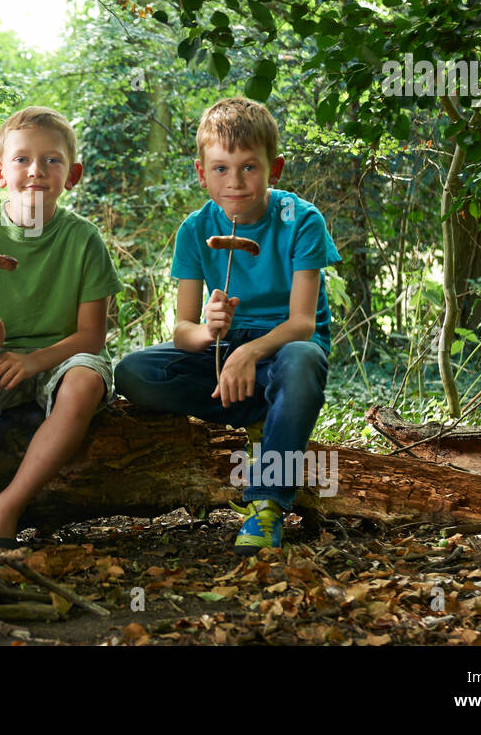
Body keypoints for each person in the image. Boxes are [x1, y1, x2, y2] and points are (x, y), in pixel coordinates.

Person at [115, 97, 341, 554]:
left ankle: (268, 503)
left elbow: (301, 323)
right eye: (220, 169)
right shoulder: (195, 229)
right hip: (226, 350)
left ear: (273, 169)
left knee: (301, 364)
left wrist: (249, 352)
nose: (234, 182)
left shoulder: (302, 221)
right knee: (133, 372)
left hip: (285, 349)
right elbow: (182, 329)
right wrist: (208, 330)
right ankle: (263, 412)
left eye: (248, 168)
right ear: (201, 173)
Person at [0, 106, 122, 548]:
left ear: (72, 174)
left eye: (51, 160)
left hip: (61, 360)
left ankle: (7, 509)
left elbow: (92, 337)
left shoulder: (84, 240)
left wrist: (34, 359)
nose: (36, 170)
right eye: (22, 159)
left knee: (83, 380)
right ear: (0, 172)